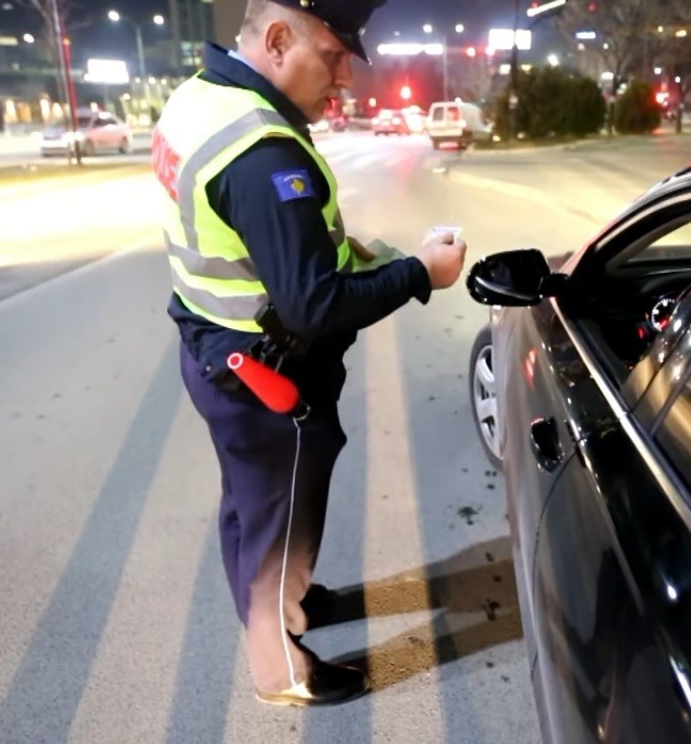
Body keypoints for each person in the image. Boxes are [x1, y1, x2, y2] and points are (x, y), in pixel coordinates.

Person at [150, 0, 468, 708]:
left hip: (213, 349)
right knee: (279, 518)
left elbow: (270, 247)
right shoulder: (262, 152)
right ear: (276, 40)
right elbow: (311, 305)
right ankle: (280, 667)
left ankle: (288, 602)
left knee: (252, 505)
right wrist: (420, 272)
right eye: (333, 54)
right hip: (267, 379)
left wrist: (354, 253)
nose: (346, 77)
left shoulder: (202, 98)